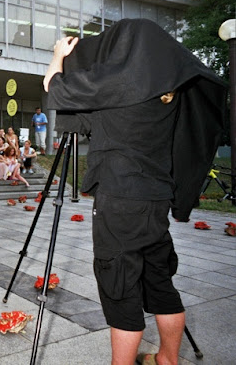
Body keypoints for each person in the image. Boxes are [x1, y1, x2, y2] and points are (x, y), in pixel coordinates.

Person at [42, 19, 227, 365]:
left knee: (120, 287)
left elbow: (55, 88)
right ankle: (168, 358)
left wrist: (58, 56)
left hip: (120, 198)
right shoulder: (168, 90)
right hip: (156, 197)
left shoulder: (117, 82)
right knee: (160, 281)